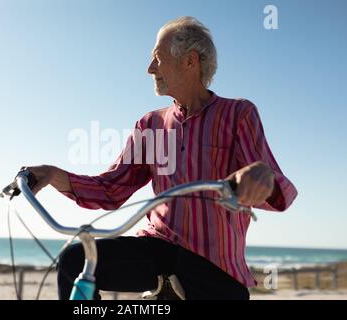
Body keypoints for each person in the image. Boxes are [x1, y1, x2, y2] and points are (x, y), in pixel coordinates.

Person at [22, 16, 297, 300]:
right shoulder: (149, 124)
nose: (150, 68)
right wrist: (55, 175)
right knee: (75, 260)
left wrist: (262, 178)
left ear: (190, 61)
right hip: (158, 250)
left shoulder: (238, 113)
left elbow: (275, 185)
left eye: (157, 58)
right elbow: (110, 189)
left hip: (214, 267)